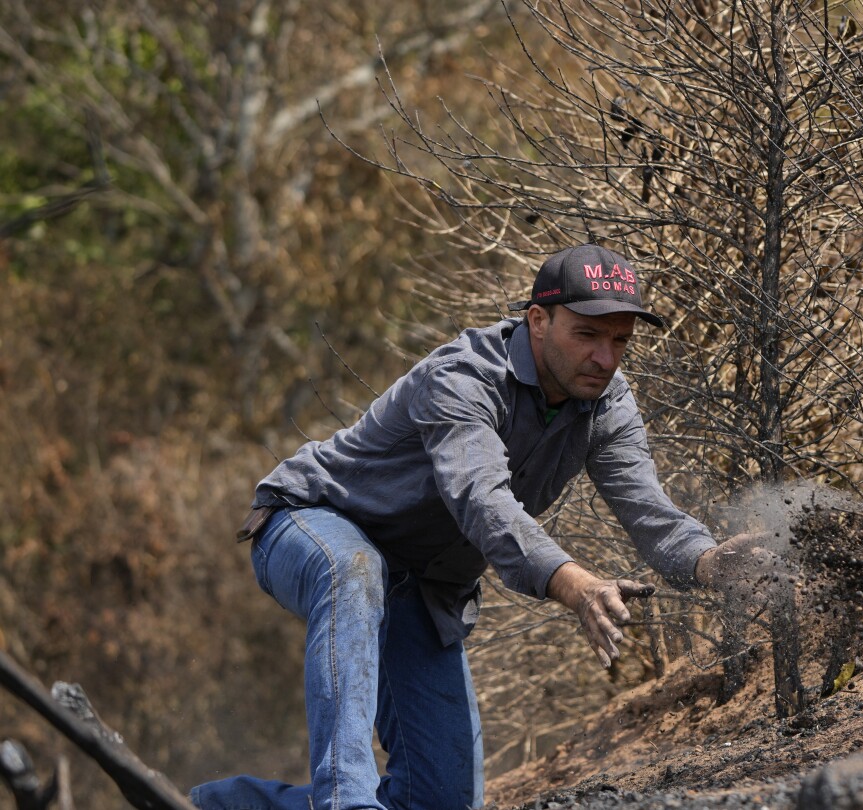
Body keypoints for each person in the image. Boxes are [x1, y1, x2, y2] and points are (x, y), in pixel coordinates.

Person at [189, 244, 758, 810]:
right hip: (310, 522)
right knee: (353, 567)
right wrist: (577, 585)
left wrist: (711, 562)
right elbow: (483, 502)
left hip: (421, 584)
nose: (605, 358)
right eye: (587, 335)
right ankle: (346, 802)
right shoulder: (462, 377)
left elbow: (648, 512)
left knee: (440, 800)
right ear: (538, 320)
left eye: (620, 340)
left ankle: (221, 807)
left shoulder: (607, 405)